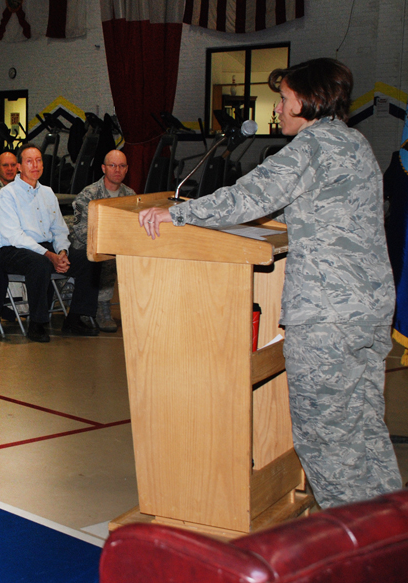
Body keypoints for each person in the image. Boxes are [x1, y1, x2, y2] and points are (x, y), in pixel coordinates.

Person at [137, 58, 402, 509]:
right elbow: (312, 208)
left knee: (326, 443)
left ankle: (353, 541)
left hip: (327, 317)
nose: (277, 108)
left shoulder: (312, 145)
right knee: (363, 434)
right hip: (367, 312)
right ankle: (391, 531)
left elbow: (250, 195)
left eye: (283, 98)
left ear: (307, 100)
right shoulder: (353, 142)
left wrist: (178, 214)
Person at [0, 144, 100, 343]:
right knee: (40, 263)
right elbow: (15, 236)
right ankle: (37, 323)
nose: (35, 165)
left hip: (46, 247)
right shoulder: (7, 194)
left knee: (88, 259)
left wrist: (62, 252)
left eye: (39, 160)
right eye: (29, 161)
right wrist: (49, 255)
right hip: (14, 250)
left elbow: (59, 229)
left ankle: (75, 318)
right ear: (19, 166)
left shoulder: (48, 193)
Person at [71, 149, 136, 332]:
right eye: (112, 165)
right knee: (106, 257)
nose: (117, 170)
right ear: (103, 168)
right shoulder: (89, 194)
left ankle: (138, 307)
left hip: (118, 245)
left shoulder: (130, 195)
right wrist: (109, 244)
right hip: (87, 246)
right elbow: (81, 231)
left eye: (122, 166)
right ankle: (102, 306)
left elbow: (133, 228)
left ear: (127, 169)